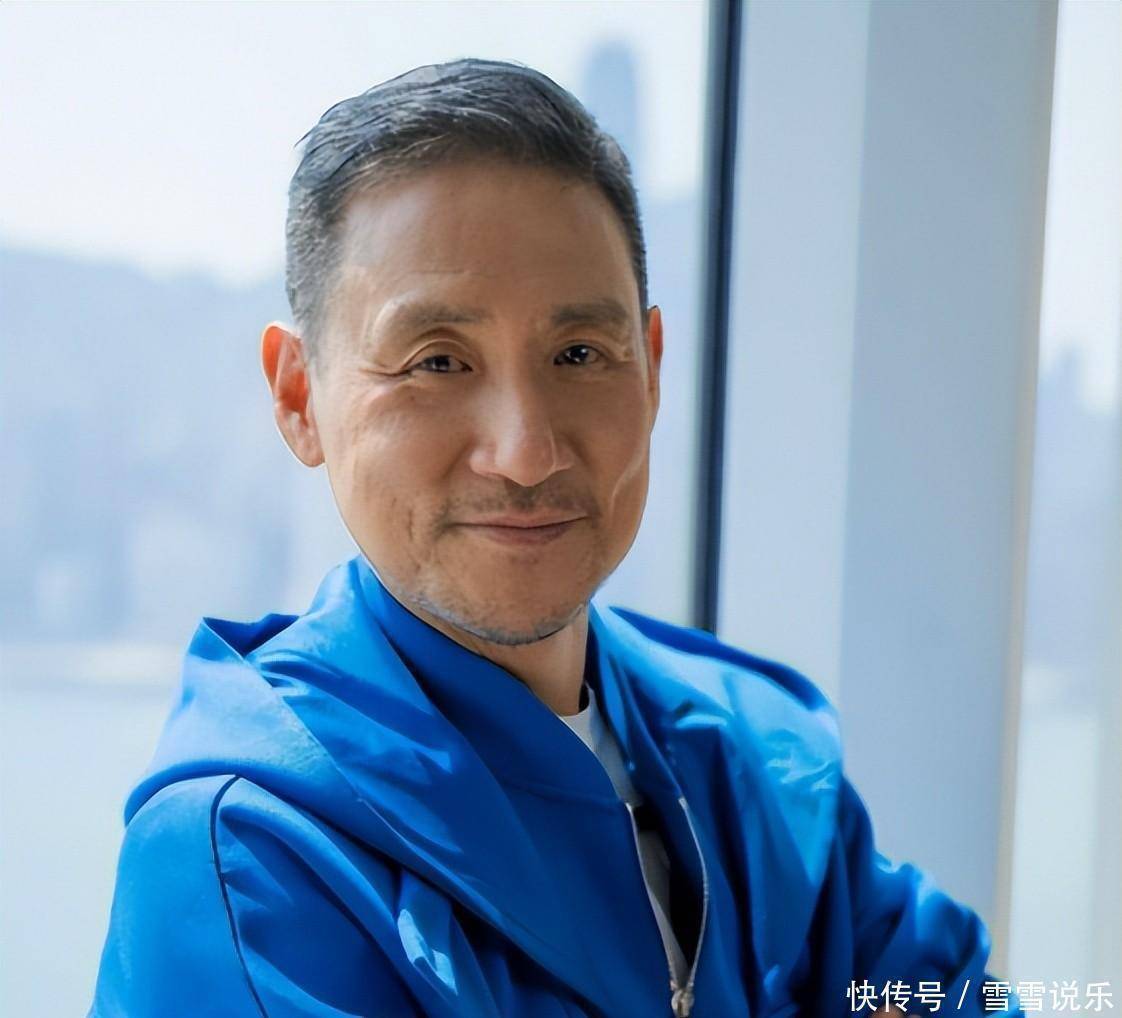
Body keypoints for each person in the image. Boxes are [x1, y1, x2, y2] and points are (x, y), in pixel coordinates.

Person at [87, 59, 1021, 1018]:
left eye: (578, 354)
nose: (525, 451)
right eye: (436, 362)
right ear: (298, 398)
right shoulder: (251, 855)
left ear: (650, 371)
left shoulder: (755, 755)